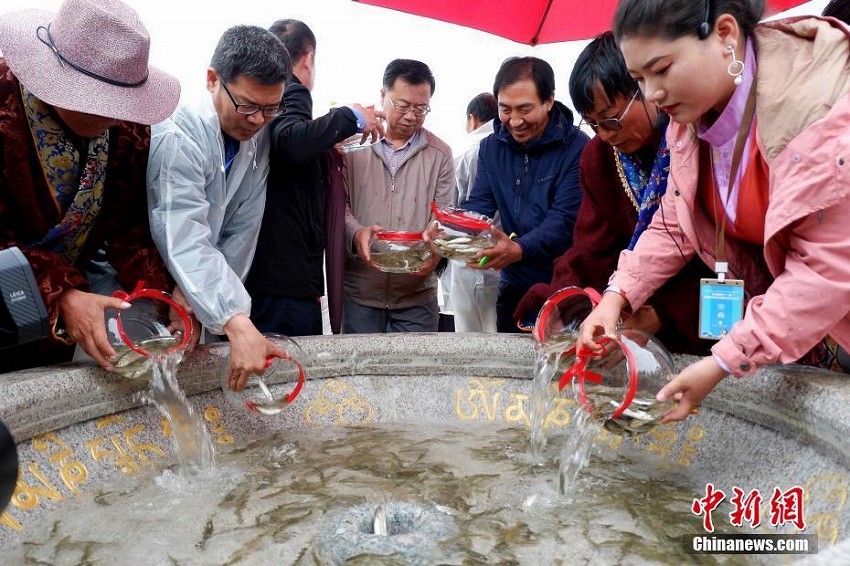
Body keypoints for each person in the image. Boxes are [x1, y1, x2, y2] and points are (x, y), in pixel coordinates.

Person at [579, 0, 850, 422]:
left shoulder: (818, 109)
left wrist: (725, 360)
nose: (652, 94)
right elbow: (675, 221)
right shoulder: (692, 121)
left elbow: (826, 269)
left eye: (662, 69)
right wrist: (617, 296)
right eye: (639, 79)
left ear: (725, 34)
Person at [0, 0, 180, 373]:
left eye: (120, 103)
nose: (111, 117)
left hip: (64, 324)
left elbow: (130, 231)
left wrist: (158, 299)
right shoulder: (5, 106)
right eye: (96, 101)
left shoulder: (128, 131)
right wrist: (58, 293)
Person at [513, 33, 714, 355]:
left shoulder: (699, 141)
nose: (605, 136)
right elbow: (592, 248)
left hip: (705, 313)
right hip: (631, 304)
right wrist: (565, 301)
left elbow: (709, 249)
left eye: (612, 120)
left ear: (646, 89)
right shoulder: (598, 158)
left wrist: (663, 312)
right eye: (593, 124)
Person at [147, 25, 291, 391]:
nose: (257, 120)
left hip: (196, 290)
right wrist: (233, 320)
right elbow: (182, 232)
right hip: (145, 280)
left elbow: (242, 230)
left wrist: (205, 304)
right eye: (247, 105)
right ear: (212, 79)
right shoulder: (179, 136)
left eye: (271, 108)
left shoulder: (256, 138)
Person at [246, 19, 385, 337]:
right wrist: (352, 115)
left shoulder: (262, 99)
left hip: (265, 272)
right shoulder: (291, 89)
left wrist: (323, 145)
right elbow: (291, 142)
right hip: (284, 277)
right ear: (307, 58)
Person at [463, 57, 589, 333]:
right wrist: (451, 231)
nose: (515, 120)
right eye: (505, 109)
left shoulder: (579, 148)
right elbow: (479, 205)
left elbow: (565, 220)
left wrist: (519, 249)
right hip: (514, 286)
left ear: (549, 101)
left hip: (566, 286)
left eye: (525, 109)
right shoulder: (490, 148)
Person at [344, 59, 455, 333]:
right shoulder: (351, 146)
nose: (410, 116)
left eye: (421, 108)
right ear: (383, 96)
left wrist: (435, 253)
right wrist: (357, 232)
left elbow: (445, 215)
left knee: (417, 373)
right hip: (360, 291)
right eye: (403, 105)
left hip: (417, 294)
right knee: (360, 373)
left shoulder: (440, 154)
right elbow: (339, 207)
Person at [451, 92, 501, 333]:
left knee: (469, 339)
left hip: (468, 259)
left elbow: (450, 209)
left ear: (472, 118)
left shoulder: (462, 152)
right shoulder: (507, 146)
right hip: (507, 257)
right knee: (499, 333)